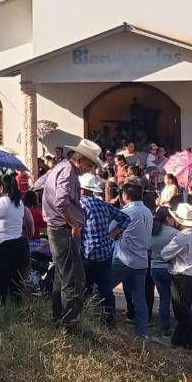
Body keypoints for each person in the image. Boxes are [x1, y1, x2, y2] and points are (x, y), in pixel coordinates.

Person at [44, 139, 97, 325]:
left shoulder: (62, 168)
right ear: (80, 159)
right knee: (72, 277)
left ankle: (59, 317)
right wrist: (74, 224)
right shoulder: (67, 170)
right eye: (89, 164)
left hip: (59, 226)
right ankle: (68, 320)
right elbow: (61, 202)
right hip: (62, 227)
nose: (89, 169)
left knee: (62, 274)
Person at [79, 173, 129, 324]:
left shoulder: (80, 205)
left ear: (82, 190)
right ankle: (109, 320)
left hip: (88, 253)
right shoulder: (102, 204)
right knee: (106, 289)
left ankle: (84, 316)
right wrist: (113, 233)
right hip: (106, 253)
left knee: (84, 287)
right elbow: (125, 218)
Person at [160, 204, 192, 349]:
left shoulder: (181, 237)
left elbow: (165, 254)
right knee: (185, 309)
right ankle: (182, 341)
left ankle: (185, 341)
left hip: (181, 276)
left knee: (181, 311)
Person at [112, 181, 154, 339]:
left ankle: (104, 320)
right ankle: (141, 333)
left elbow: (111, 230)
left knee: (102, 287)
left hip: (125, 258)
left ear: (126, 196)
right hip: (142, 259)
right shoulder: (147, 211)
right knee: (139, 298)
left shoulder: (127, 212)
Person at [0, 174, 30, 304]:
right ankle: (17, 304)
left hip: (1, 243)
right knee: (16, 278)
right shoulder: (20, 203)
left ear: (1, 187)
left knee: (1, 278)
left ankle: (1, 304)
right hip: (18, 243)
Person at [149, 207, 179, 338]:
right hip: (170, 268)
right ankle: (179, 325)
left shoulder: (152, 232)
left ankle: (165, 327)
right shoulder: (175, 233)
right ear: (167, 218)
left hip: (155, 268)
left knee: (164, 298)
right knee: (176, 299)